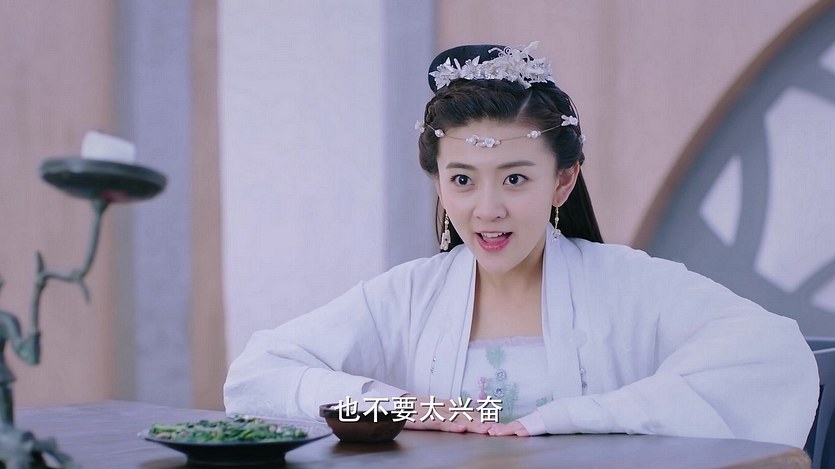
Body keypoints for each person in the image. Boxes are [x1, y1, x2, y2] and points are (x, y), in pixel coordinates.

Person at [224, 42, 819, 447]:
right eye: (462, 180)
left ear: (563, 180)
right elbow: (256, 377)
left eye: (514, 179)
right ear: (439, 182)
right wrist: (407, 406)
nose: (487, 209)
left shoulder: (632, 285)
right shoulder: (404, 297)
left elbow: (770, 357)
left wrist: (576, 417)